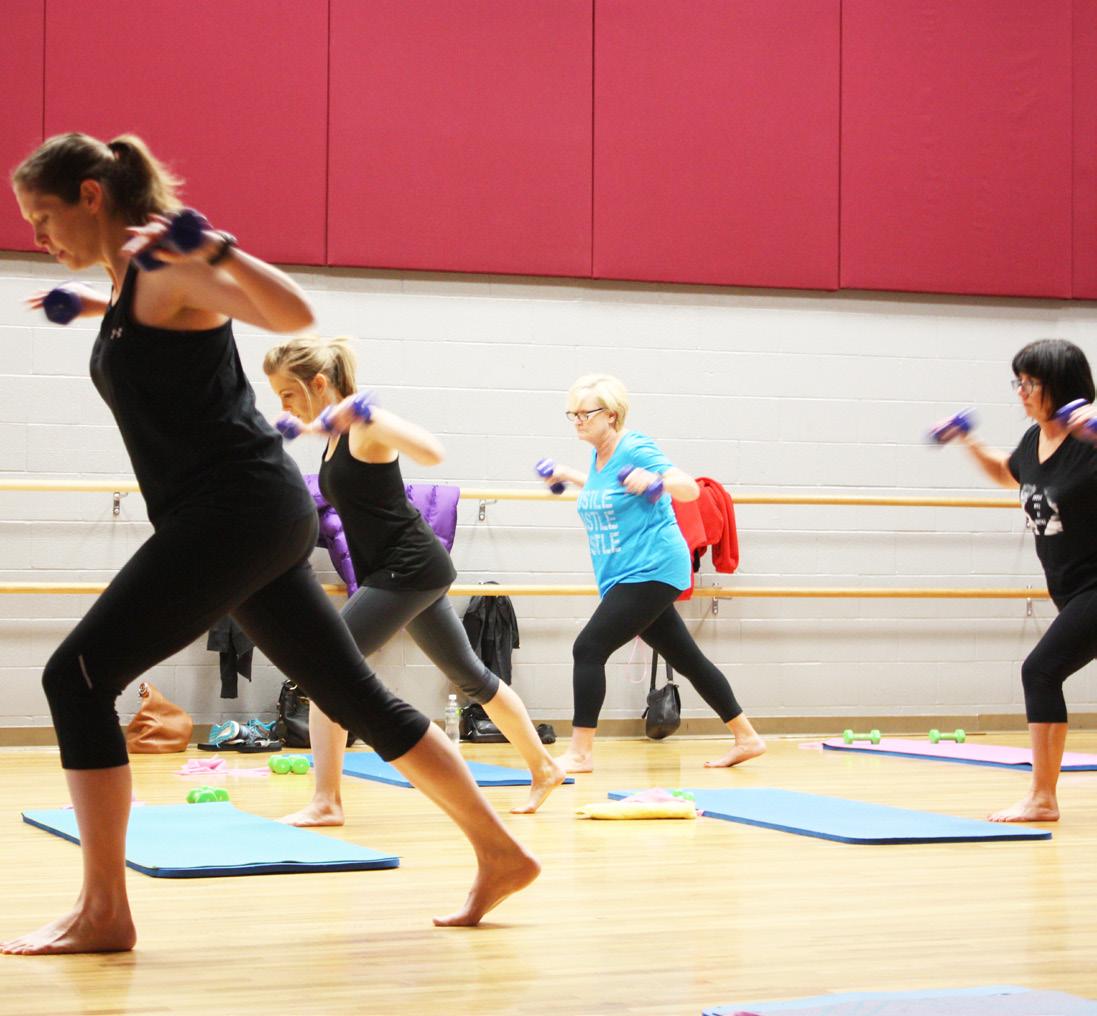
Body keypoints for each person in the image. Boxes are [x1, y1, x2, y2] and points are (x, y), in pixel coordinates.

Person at [4, 132, 537, 954]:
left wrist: (218, 248)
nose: (37, 236)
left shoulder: (167, 265)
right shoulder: (127, 285)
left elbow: (292, 314)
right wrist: (89, 311)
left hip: (234, 514)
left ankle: (104, 911)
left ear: (91, 196)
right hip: (246, 516)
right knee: (352, 694)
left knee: (74, 678)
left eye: (42, 216)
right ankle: (501, 853)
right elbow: (160, 347)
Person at [263, 336, 566, 822]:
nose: (284, 405)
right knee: (472, 676)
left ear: (318, 383)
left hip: (406, 568)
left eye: (287, 394)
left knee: (326, 671)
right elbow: (325, 425)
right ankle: (544, 767)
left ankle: (326, 802)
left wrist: (374, 415)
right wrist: (306, 425)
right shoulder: (336, 431)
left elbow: (432, 452)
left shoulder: (366, 426)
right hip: (410, 570)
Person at [537, 374, 765, 774]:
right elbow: (608, 489)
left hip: (651, 569)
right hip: (628, 573)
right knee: (688, 658)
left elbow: (688, 488)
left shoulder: (635, 446)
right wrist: (567, 475)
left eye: (584, 413)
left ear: (611, 415)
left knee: (588, 649)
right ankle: (747, 737)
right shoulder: (599, 455)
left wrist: (656, 480)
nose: (577, 421)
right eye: (571, 414)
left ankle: (581, 753)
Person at [940, 338, 1097, 822]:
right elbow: (1009, 473)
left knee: (1040, 671)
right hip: (1070, 588)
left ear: (1061, 386)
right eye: (1019, 382)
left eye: (1031, 383)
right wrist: (968, 441)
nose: (1021, 392)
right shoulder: (1034, 441)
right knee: (1045, 670)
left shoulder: (1090, 438)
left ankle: (1043, 798)